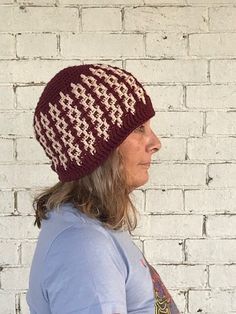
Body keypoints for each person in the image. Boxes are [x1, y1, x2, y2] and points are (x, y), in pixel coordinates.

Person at [27, 63, 180, 314]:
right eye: (138, 128)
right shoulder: (83, 246)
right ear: (99, 150)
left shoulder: (93, 228)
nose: (155, 143)